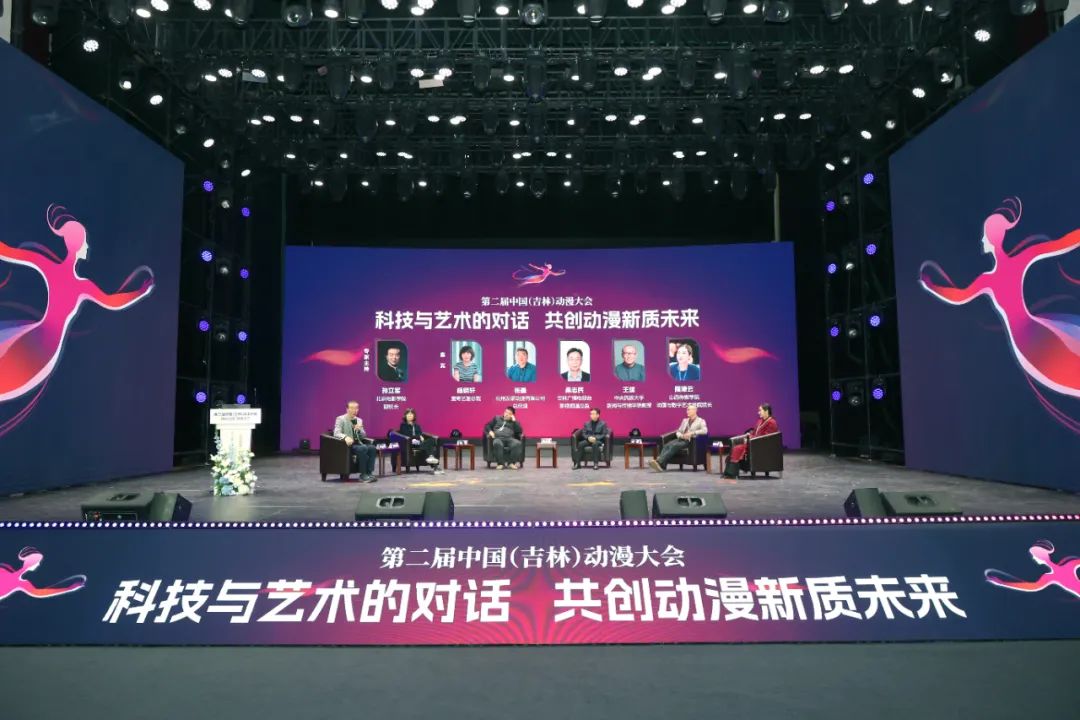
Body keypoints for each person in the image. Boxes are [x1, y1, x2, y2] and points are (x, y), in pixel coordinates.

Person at [919, 197, 1080, 399]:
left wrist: (931, 285)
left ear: (991, 239)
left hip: (1028, 337)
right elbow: (1063, 243)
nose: (982, 240)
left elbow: (959, 296)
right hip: (1033, 333)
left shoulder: (989, 280)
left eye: (984, 237)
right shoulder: (1015, 263)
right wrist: (932, 287)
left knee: (1069, 365)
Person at [0, 205, 154, 406]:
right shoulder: (81, 286)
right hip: (44, 343)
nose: (88, 246)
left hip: (39, 338)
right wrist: (141, 291)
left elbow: (8, 252)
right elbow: (111, 302)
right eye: (85, 242)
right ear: (79, 246)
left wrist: (141, 292)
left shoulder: (53, 270)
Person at [0, 547, 86, 602]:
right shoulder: (5, 569)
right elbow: (39, 593)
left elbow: (40, 593)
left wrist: (69, 588)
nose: (38, 564)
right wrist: (69, 589)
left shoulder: (22, 583)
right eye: (37, 562)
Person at [723, 403, 779, 478]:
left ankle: (731, 473)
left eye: (760, 410)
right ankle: (729, 473)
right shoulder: (760, 421)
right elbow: (755, 432)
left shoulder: (772, 422)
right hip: (754, 443)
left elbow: (766, 438)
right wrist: (750, 434)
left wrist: (750, 439)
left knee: (738, 448)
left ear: (766, 411)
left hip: (762, 447)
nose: (758, 412)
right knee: (736, 448)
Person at [649, 405, 708, 472]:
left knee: (674, 446)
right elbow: (679, 431)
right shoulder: (685, 421)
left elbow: (705, 431)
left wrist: (692, 433)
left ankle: (659, 462)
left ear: (695, 411)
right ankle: (662, 465)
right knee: (667, 445)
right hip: (681, 438)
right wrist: (681, 436)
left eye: (689, 410)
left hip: (690, 441)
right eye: (687, 410)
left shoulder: (701, 421)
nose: (687, 411)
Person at [333, 401, 376, 482]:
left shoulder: (359, 420)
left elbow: (364, 436)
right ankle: (363, 475)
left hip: (358, 443)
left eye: (356, 408)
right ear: (347, 409)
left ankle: (369, 473)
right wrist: (345, 437)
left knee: (372, 448)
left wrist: (359, 430)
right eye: (352, 408)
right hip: (347, 445)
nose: (354, 410)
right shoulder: (340, 419)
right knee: (363, 448)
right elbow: (336, 433)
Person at [398, 408, 442, 473]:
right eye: (408, 414)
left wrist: (419, 437)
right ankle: (434, 465)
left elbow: (421, 434)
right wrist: (418, 437)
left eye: (411, 414)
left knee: (432, 440)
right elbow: (407, 435)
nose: (410, 416)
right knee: (429, 447)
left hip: (420, 443)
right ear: (405, 416)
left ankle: (431, 458)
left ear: (414, 416)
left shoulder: (417, 426)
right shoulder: (403, 425)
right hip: (410, 444)